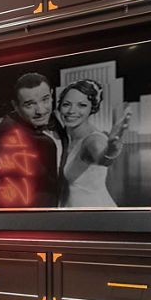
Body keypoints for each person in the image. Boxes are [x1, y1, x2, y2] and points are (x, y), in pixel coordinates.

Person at [0, 72, 65, 207]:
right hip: (33, 217)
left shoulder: (59, 118)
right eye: (30, 104)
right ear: (16, 105)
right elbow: (2, 159)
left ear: (51, 94)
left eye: (45, 99)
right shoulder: (7, 130)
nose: (41, 110)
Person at [57, 78, 131, 208]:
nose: (71, 111)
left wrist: (111, 150)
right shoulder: (64, 137)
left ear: (92, 108)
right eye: (66, 104)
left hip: (93, 215)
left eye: (82, 105)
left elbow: (102, 158)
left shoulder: (94, 140)